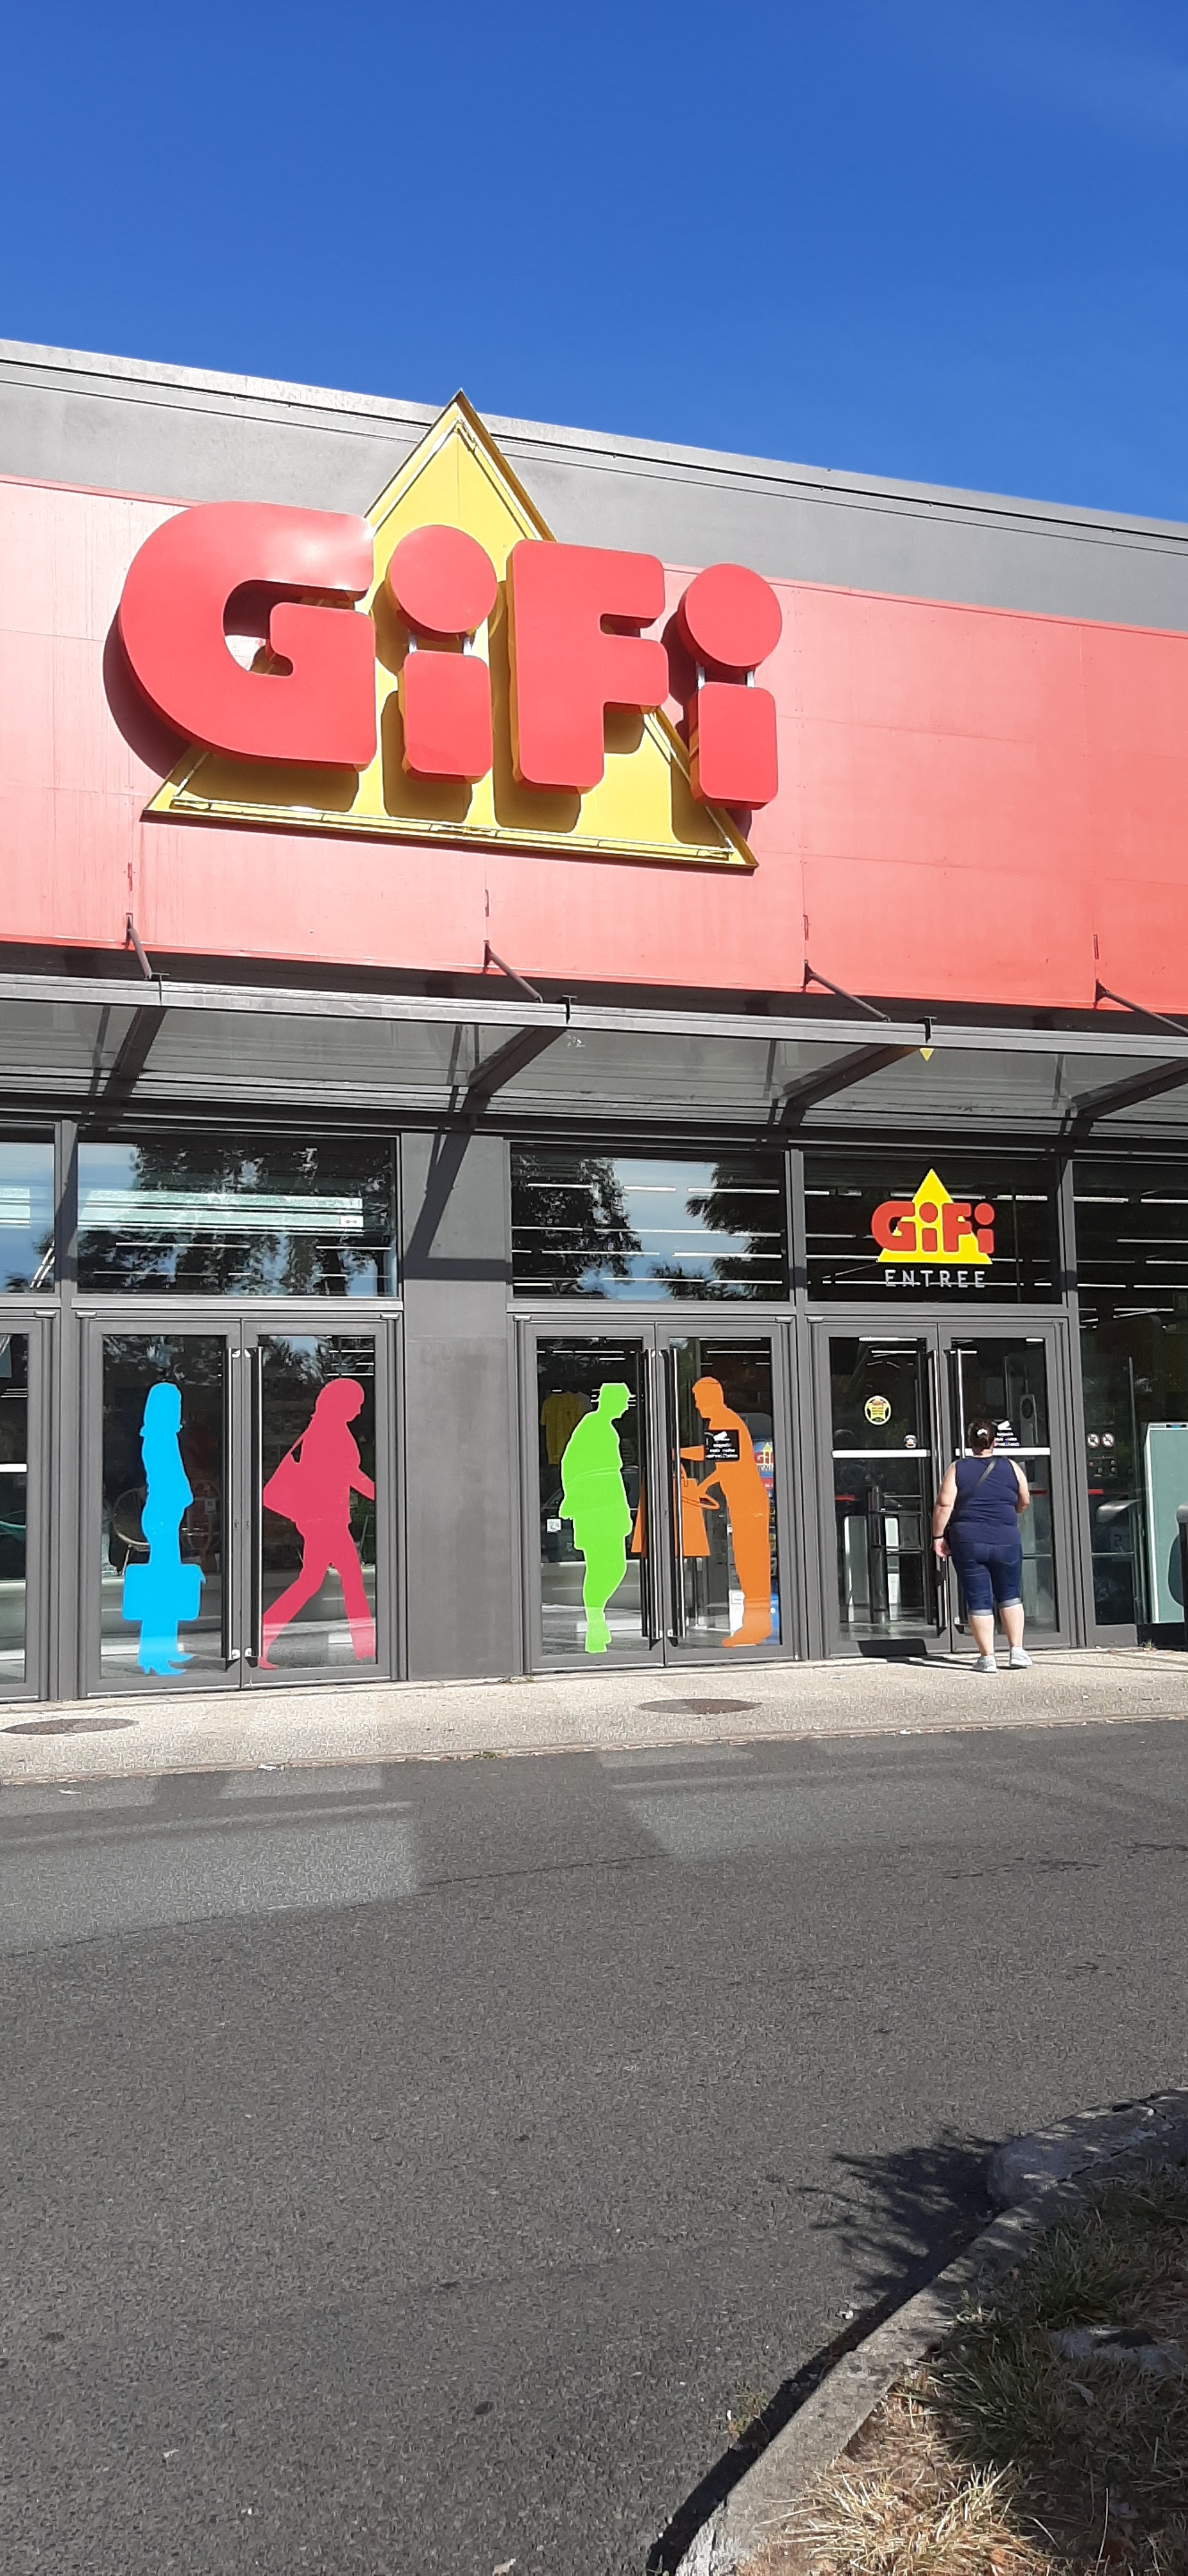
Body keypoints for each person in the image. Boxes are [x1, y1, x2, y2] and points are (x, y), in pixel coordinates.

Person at [260, 1377, 376, 1666]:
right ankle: (366, 1651)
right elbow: (349, 1474)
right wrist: (383, 1495)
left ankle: (261, 1637)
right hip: (326, 1521)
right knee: (348, 1579)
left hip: (321, 1519)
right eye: (356, 1404)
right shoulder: (329, 1431)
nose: (358, 1411)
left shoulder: (325, 1428)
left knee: (313, 1582)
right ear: (340, 1404)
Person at [933, 1416, 1032, 1674]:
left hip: (969, 1541)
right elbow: (1024, 1500)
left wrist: (938, 1537)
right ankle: (1017, 1651)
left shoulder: (958, 1469)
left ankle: (988, 1658)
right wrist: (1012, 1512)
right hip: (1006, 1539)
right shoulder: (1011, 1467)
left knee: (978, 1598)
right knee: (1010, 1594)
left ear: (970, 1443)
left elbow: (944, 1505)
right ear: (994, 1442)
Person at [121, 1381, 203, 1676]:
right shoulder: (161, 1439)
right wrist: (186, 1497)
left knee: (166, 1585)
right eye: (175, 1406)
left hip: (163, 1516)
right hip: (162, 1517)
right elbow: (171, 1479)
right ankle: (153, 1657)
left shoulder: (159, 1437)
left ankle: (164, 1648)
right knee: (162, 1589)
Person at [692, 1375, 773, 1648]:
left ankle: (756, 1626)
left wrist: (680, 1458)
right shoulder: (723, 1421)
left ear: (712, 1398)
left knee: (751, 1564)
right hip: (744, 1503)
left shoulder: (723, 1420)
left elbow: (719, 1459)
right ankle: (756, 1625)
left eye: (699, 1400)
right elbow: (720, 1458)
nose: (697, 1406)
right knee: (747, 1563)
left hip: (748, 1504)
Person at [559, 1381, 633, 1654]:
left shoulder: (604, 1427)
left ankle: (597, 1618)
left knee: (614, 1566)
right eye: (623, 1401)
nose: (626, 1407)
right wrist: (573, 1496)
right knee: (604, 1565)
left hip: (607, 1504)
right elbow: (570, 1464)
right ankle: (595, 1620)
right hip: (595, 1506)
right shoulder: (592, 1425)